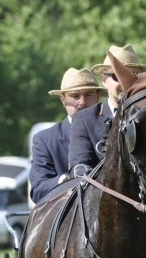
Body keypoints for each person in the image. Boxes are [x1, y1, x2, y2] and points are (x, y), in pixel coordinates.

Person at [67, 44, 146, 177]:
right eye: (117, 76)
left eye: (134, 74)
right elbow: (79, 168)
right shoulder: (84, 120)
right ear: (104, 80)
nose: (126, 82)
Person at [29, 68, 106, 203]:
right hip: (68, 218)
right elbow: (38, 190)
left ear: (98, 96)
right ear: (62, 99)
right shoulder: (45, 140)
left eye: (88, 95)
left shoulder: (113, 129)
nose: (82, 102)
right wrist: (66, 179)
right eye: (75, 96)